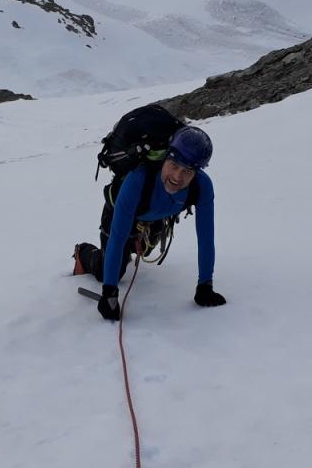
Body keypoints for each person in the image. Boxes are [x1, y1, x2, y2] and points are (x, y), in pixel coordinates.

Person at [73, 126, 227, 321]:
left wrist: (205, 285)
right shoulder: (138, 179)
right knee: (109, 270)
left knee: (143, 251)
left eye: (187, 171)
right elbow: (117, 237)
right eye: (174, 165)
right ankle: (84, 252)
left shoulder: (202, 186)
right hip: (119, 214)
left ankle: (129, 251)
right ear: (165, 158)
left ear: (196, 172)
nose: (177, 177)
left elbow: (206, 238)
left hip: (153, 219)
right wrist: (109, 292)